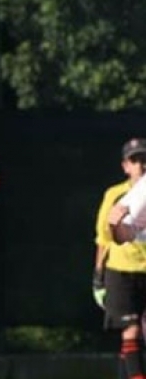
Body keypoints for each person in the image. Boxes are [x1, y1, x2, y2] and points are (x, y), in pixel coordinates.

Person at [98, 138, 146, 379]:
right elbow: (107, 238)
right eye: (135, 160)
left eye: (145, 160)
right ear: (126, 166)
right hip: (122, 270)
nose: (141, 165)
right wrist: (98, 275)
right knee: (131, 330)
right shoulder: (118, 195)